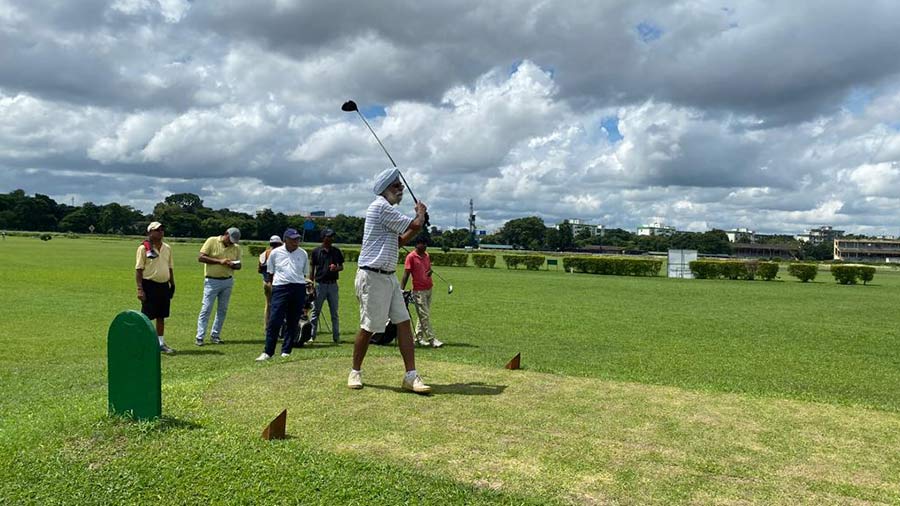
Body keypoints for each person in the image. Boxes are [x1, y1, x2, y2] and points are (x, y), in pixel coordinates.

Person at [348, 168, 431, 394]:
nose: (401, 189)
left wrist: (419, 220)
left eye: (401, 186)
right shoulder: (380, 207)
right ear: (386, 189)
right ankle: (355, 371)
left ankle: (411, 376)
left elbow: (400, 241)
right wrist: (420, 214)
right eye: (397, 186)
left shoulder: (387, 211)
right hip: (372, 276)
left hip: (388, 276)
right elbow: (413, 226)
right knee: (370, 327)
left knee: (403, 321)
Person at [256, 228, 310, 361]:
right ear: (285, 239)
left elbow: (304, 273)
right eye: (293, 239)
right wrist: (270, 287)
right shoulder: (275, 253)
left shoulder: (303, 253)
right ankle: (268, 351)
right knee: (275, 319)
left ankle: (286, 350)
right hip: (280, 286)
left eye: (297, 239)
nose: (296, 242)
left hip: (298, 286)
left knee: (293, 320)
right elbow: (270, 272)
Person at [195, 227, 242, 346]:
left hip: (228, 281)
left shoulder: (236, 248)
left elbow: (239, 265)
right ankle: (200, 336)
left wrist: (232, 264)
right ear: (226, 234)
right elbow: (201, 257)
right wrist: (219, 261)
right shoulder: (212, 241)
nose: (231, 243)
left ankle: (215, 335)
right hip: (212, 281)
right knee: (206, 309)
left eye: (233, 241)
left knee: (222, 310)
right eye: (230, 239)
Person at [135, 221, 176, 354]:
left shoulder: (167, 248)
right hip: (149, 285)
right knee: (146, 317)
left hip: (164, 285)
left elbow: (170, 267)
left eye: (162, 230)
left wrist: (172, 284)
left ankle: (160, 343)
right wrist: (140, 289)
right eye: (157, 230)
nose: (161, 232)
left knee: (161, 316)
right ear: (149, 232)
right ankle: (141, 342)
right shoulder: (143, 248)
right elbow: (139, 269)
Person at [401, 236, 443, 348]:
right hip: (418, 291)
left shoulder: (427, 255)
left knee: (423, 315)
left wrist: (429, 272)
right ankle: (432, 339)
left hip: (429, 288)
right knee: (424, 315)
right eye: (422, 244)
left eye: (425, 244)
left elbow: (428, 269)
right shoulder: (410, 257)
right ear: (416, 245)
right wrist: (401, 289)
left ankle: (418, 338)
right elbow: (406, 274)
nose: (425, 246)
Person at [309, 228, 344, 343]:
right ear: (323, 238)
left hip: (333, 285)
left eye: (332, 237)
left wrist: (336, 268)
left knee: (334, 313)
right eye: (328, 236)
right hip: (320, 285)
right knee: (315, 312)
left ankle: (336, 337)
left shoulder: (336, 251)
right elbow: (312, 268)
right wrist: (311, 284)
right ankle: (311, 336)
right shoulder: (316, 252)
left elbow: (341, 267)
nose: (331, 239)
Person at [258, 235, 283, 332]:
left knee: (268, 305)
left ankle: (267, 326)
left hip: (265, 282)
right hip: (277, 283)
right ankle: (277, 327)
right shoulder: (279, 254)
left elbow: (259, 269)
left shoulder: (263, 254)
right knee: (279, 306)